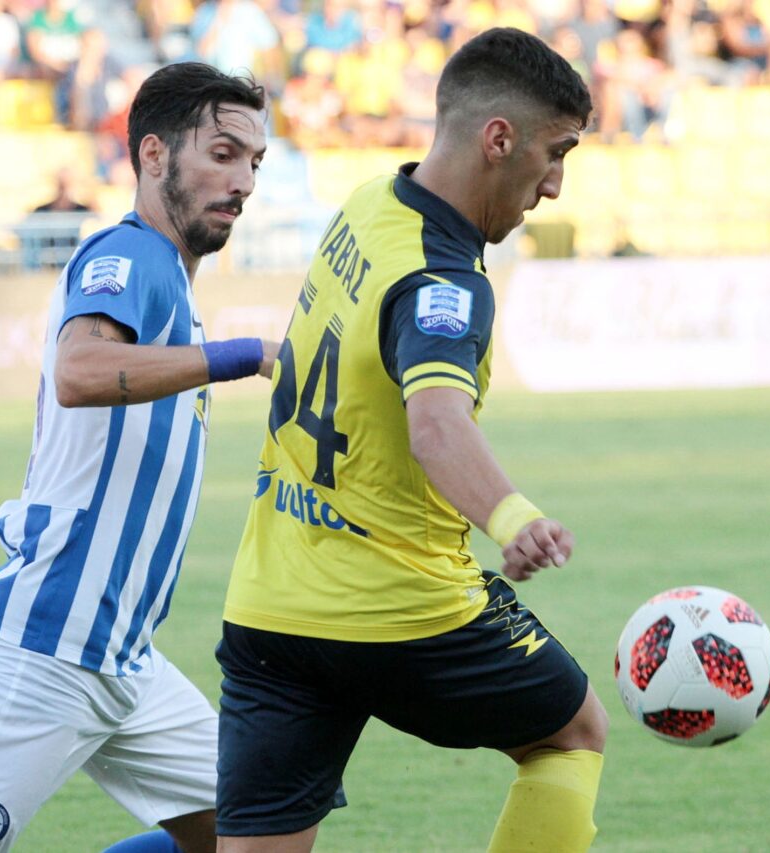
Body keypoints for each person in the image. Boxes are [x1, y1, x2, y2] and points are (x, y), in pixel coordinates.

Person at [215, 27, 609, 853]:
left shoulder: (367, 203)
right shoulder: (443, 280)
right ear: (498, 139)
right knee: (571, 732)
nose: (555, 184)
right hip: (403, 611)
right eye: (556, 153)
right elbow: (435, 422)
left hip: (271, 605)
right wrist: (513, 517)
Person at [0, 61, 274, 853]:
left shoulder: (172, 282)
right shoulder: (133, 256)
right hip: (47, 646)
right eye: (223, 154)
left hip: (125, 656)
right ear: (154, 155)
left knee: (257, 834)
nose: (242, 181)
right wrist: (247, 355)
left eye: (254, 162)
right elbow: (80, 370)